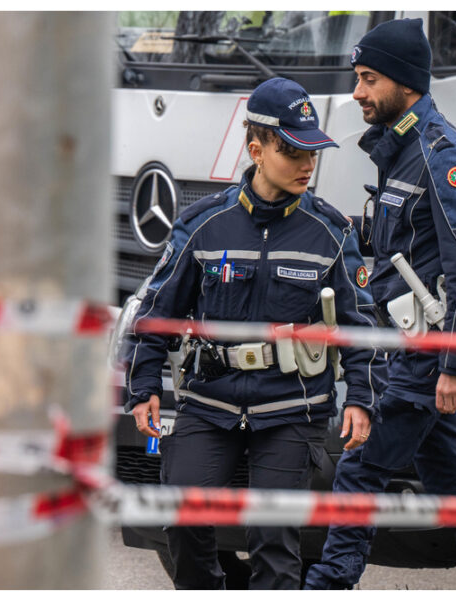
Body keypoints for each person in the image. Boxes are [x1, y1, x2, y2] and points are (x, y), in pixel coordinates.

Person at [125, 77, 386, 590]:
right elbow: (157, 310)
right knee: (184, 517)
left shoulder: (331, 233)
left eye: (313, 151)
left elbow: (361, 322)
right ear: (256, 149)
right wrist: (144, 388)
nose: (307, 164)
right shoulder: (204, 225)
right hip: (211, 402)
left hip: (292, 407)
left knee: (274, 542)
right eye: (292, 151)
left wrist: (361, 398)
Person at [304, 18, 456, 590]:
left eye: (368, 79)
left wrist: (454, 364)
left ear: (405, 82)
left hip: (423, 354)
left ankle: (328, 583)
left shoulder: (442, 155)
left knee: (359, 470)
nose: (357, 92)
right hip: (406, 350)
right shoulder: (402, 152)